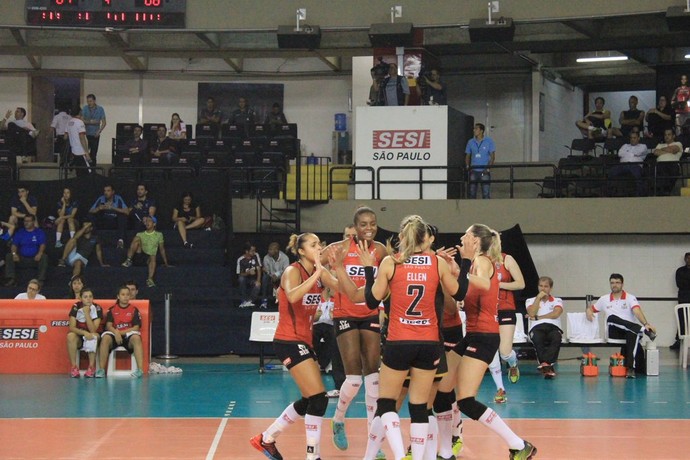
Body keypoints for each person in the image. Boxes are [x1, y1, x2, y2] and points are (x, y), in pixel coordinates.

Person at [332, 215, 473, 459]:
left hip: (399, 341)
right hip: (429, 343)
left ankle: (399, 454)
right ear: (425, 238)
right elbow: (460, 292)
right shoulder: (436, 262)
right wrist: (467, 261)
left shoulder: (391, 262)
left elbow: (371, 300)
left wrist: (367, 268)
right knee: (420, 407)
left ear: (401, 238)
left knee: (387, 403)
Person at [435, 224, 537, 460]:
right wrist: (453, 270)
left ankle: (519, 444)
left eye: (466, 235)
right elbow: (465, 291)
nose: (461, 237)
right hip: (472, 334)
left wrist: (460, 270)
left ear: (476, 241)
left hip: (484, 336)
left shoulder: (481, 261)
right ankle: (445, 450)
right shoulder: (473, 263)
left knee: (466, 401)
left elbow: (483, 284)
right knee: (442, 392)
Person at [250, 232, 339, 460]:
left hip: (304, 341)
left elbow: (344, 289)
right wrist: (319, 273)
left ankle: (266, 439)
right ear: (301, 251)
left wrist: (340, 267)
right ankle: (313, 455)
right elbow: (291, 296)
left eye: (320, 244)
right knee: (319, 399)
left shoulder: (320, 272)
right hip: (288, 340)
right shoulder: (292, 271)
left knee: (310, 400)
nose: (319, 247)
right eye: (313, 244)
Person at [321, 206, 387, 453]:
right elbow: (318, 269)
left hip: (370, 313)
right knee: (353, 379)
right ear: (355, 226)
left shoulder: (380, 250)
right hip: (346, 314)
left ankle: (374, 441)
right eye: (364, 224)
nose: (369, 228)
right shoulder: (337, 250)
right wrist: (336, 283)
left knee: (373, 377)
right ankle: (338, 419)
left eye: (373, 223)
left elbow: (387, 277)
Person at [586, 273, 656, 378]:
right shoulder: (604, 299)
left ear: (622, 284)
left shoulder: (630, 298)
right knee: (612, 318)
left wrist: (646, 323)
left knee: (632, 332)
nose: (615, 285)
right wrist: (588, 311)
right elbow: (591, 308)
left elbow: (637, 311)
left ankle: (630, 369)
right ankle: (642, 330)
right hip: (614, 332)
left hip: (629, 331)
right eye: (612, 283)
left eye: (617, 282)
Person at [487, 250, 525, 404]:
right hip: (486, 310)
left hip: (505, 308)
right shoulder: (478, 260)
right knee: (491, 350)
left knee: (504, 352)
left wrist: (497, 284)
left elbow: (520, 283)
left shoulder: (506, 259)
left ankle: (513, 363)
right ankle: (500, 389)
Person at [95, 285, 144, 378]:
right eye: (123, 294)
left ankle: (140, 370)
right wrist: (116, 332)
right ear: (118, 296)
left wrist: (120, 333)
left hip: (128, 336)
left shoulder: (134, 310)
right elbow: (109, 326)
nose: (125, 297)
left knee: (136, 338)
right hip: (114, 335)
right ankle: (101, 370)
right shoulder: (112, 309)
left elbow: (136, 327)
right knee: (105, 338)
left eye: (127, 295)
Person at [525, 277, 563, 379]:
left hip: (553, 327)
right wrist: (538, 298)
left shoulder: (557, 300)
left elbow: (556, 314)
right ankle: (548, 365)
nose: (543, 289)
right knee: (537, 338)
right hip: (536, 327)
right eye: (540, 286)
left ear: (550, 288)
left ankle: (545, 364)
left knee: (557, 337)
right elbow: (531, 312)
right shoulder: (530, 300)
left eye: (546, 286)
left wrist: (538, 317)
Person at [122, 216, 170, 288]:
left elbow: (162, 249)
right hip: (139, 255)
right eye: (146, 221)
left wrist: (166, 263)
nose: (147, 223)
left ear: (154, 224)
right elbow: (132, 246)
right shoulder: (140, 234)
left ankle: (150, 279)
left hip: (149, 258)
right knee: (137, 238)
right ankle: (128, 260)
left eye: (149, 221)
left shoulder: (159, 235)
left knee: (153, 255)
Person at [312, 286, 342, 397]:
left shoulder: (338, 300)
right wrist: (314, 317)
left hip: (331, 325)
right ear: (327, 288)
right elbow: (305, 316)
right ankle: (317, 365)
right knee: (311, 338)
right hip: (315, 325)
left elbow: (343, 316)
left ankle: (339, 386)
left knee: (336, 338)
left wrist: (334, 316)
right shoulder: (315, 298)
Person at [66, 287, 102, 378]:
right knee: (70, 336)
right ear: (80, 298)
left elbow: (93, 330)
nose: (88, 299)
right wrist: (84, 333)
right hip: (80, 336)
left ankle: (91, 367)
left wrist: (86, 313)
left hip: (93, 336)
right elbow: (72, 327)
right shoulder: (76, 307)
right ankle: (74, 367)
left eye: (90, 296)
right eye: (85, 297)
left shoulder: (97, 308)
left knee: (93, 336)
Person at [4, 214, 48, 287]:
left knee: (44, 256)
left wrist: (40, 253)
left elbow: (42, 244)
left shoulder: (39, 232)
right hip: (22, 259)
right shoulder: (20, 232)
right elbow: (14, 245)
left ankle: (40, 280)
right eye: (25, 221)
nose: (26, 223)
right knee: (9, 256)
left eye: (28, 221)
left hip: (35, 259)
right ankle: (11, 279)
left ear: (33, 222)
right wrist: (14, 254)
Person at [608, 130, 649, 196]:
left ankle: (639, 195)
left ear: (638, 138)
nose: (632, 139)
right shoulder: (625, 145)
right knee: (611, 172)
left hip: (635, 165)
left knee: (638, 176)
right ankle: (610, 194)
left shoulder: (643, 146)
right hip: (622, 165)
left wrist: (626, 153)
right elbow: (620, 153)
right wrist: (632, 154)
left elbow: (638, 152)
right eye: (631, 138)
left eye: (634, 138)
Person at [88, 184, 129, 248]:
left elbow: (127, 212)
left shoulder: (118, 198)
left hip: (115, 221)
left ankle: (120, 241)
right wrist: (98, 208)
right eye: (105, 191)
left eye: (108, 191)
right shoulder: (101, 198)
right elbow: (90, 211)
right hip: (104, 221)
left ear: (113, 192)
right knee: (92, 216)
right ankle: (94, 239)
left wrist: (112, 208)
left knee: (122, 216)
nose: (106, 193)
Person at [465, 123, 496, 199]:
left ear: (481, 131)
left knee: (486, 193)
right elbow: (467, 155)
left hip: (484, 171)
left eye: (476, 129)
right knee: (472, 193)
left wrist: (488, 168)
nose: (474, 130)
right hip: (473, 171)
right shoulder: (470, 142)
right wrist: (467, 166)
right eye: (474, 129)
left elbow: (492, 156)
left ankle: (486, 209)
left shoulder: (489, 141)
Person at [652, 128, 683, 195]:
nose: (666, 136)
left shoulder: (678, 143)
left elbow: (673, 150)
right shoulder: (659, 145)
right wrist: (668, 150)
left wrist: (662, 150)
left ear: (673, 136)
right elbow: (656, 152)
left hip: (672, 165)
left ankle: (665, 191)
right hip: (660, 165)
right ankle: (663, 192)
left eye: (669, 134)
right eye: (665, 135)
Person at [261, 241, 290, 309]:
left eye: (271, 249)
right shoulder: (266, 258)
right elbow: (267, 271)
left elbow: (286, 271)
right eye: (269, 249)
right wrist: (272, 276)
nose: (269, 251)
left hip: (282, 277)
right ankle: (264, 300)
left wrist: (277, 275)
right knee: (265, 277)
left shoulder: (285, 258)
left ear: (276, 250)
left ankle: (285, 302)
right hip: (270, 276)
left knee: (287, 278)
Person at [65, 105, 93, 176]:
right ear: (80, 112)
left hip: (74, 150)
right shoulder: (79, 122)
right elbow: (82, 137)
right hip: (81, 150)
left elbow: (65, 137)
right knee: (88, 172)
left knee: (79, 171)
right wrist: (86, 152)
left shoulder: (69, 122)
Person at [672, 252, 690, 350]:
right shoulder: (680, 271)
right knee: (682, 319)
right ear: (685, 259)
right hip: (684, 297)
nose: (689, 260)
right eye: (687, 258)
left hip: (684, 294)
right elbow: (680, 284)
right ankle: (679, 340)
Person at [82, 94, 106, 164]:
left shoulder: (100, 109)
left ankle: (93, 169)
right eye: (88, 101)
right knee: (86, 152)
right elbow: (82, 120)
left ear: (94, 101)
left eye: (90, 101)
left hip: (95, 134)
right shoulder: (85, 108)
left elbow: (104, 122)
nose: (89, 103)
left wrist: (99, 131)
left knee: (94, 153)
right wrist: (91, 122)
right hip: (86, 134)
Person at [236, 242, 262, 308]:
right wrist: (248, 273)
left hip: (253, 279)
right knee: (241, 279)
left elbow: (259, 269)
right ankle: (244, 300)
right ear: (246, 251)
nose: (254, 252)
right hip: (245, 278)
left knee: (257, 285)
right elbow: (239, 273)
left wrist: (258, 280)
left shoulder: (256, 255)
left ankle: (250, 301)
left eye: (254, 250)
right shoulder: (240, 259)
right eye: (252, 251)